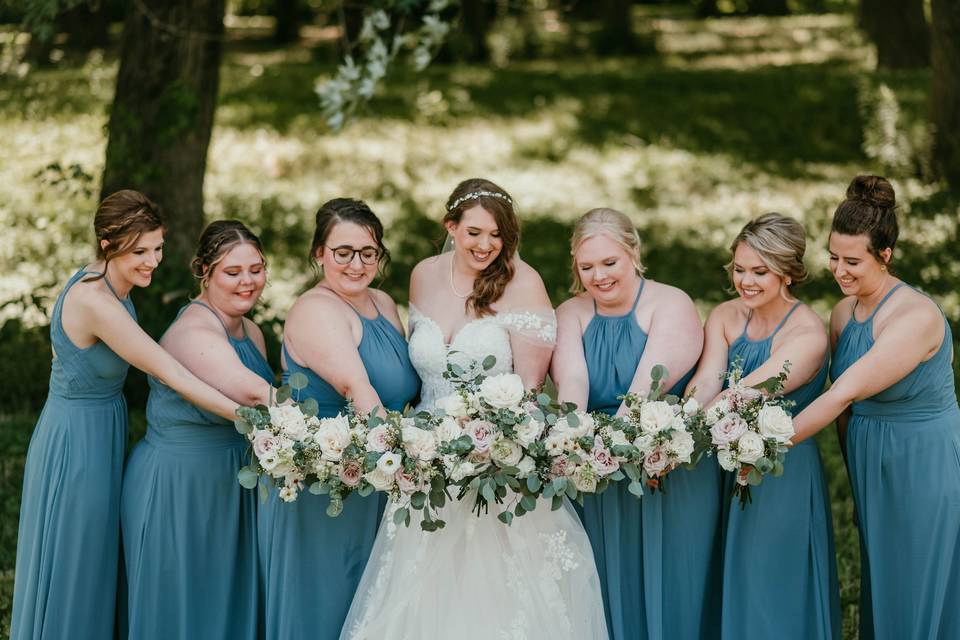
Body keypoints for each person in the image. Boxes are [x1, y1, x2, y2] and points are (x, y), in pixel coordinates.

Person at [340, 178, 608, 640]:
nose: (487, 245)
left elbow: (529, 385)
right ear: (450, 226)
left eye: (497, 235)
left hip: (495, 464)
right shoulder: (424, 274)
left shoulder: (523, 283)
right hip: (425, 463)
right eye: (474, 233)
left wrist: (495, 443)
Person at [11, 190, 244, 640]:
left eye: (157, 248)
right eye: (139, 251)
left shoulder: (113, 282)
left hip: (100, 427)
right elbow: (171, 372)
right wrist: (250, 418)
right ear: (106, 244)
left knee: (97, 555)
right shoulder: (95, 300)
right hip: (77, 440)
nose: (152, 261)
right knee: (76, 558)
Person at [791, 176, 960, 640]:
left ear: (884, 255)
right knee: (882, 580)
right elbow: (841, 411)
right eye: (833, 257)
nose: (839, 271)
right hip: (868, 462)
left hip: (920, 461)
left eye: (852, 261)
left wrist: (764, 441)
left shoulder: (913, 317)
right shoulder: (844, 314)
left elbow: (843, 393)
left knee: (917, 582)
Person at [257, 199, 420, 640]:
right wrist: (408, 461)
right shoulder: (317, 309)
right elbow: (358, 389)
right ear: (319, 254)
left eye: (368, 252)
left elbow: (405, 387)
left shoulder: (385, 304)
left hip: (377, 476)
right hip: (326, 484)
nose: (356, 264)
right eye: (342, 252)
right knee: (328, 606)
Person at [552, 207, 717, 640]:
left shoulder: (671, 303)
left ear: (633, 252)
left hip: (660, 462)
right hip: (595, 471)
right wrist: (572, 440)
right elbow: (571, 383)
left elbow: (646, 390)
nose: (599, 276)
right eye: (586, 267)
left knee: (668, 587)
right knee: (604, 584)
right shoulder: (570, 313)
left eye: (610, 263)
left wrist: (614, 449)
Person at [686, 212, 840, 639]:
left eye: (760, 271)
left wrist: (683, 432)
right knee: (726, 576)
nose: (746, 281)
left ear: (788, 272)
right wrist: (676, 424)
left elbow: (742, 394)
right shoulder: (724, 316)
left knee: (769, 586)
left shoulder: (807, 335)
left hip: (779, 475)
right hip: (721, 462)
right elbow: (707, 383)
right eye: (739, 269)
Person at [120, 220, 275, 638]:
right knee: (186, 607)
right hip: (181, 486)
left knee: (228, 602)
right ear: (203, 271)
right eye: (233, 272)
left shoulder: (253, 332)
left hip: (233, 483)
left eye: (256, 269)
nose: (248, 282)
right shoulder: (193, 331)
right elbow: (259, 396)